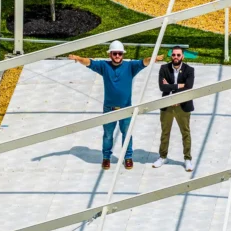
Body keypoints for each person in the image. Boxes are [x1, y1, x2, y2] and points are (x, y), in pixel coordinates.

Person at [68, 41, 163, 170]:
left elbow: (143, 62)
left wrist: (154, 58)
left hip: (126, 108)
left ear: (122, 54)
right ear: (110, 54)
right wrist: (78, 58)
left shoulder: (130, 67)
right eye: (115, 53)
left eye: (119, 53)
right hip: (109, 109)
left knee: (127, 134)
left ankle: (127, 157)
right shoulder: (104, 66)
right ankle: (106, 157)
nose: (117, 55)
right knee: (108, 135)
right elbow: (89, 62)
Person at [153, 46, 195, 172]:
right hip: (167, 105)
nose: (175, 57)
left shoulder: (189, 70)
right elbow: (162, 87)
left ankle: (187, 159)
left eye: (178, 55)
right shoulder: (164, 68)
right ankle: (162, 156)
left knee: (185, 133)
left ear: (182, 56)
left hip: (182, 106)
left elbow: (188, 87)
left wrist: (171, 87)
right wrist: (178, 85)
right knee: (165, 132)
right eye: (173, 55)